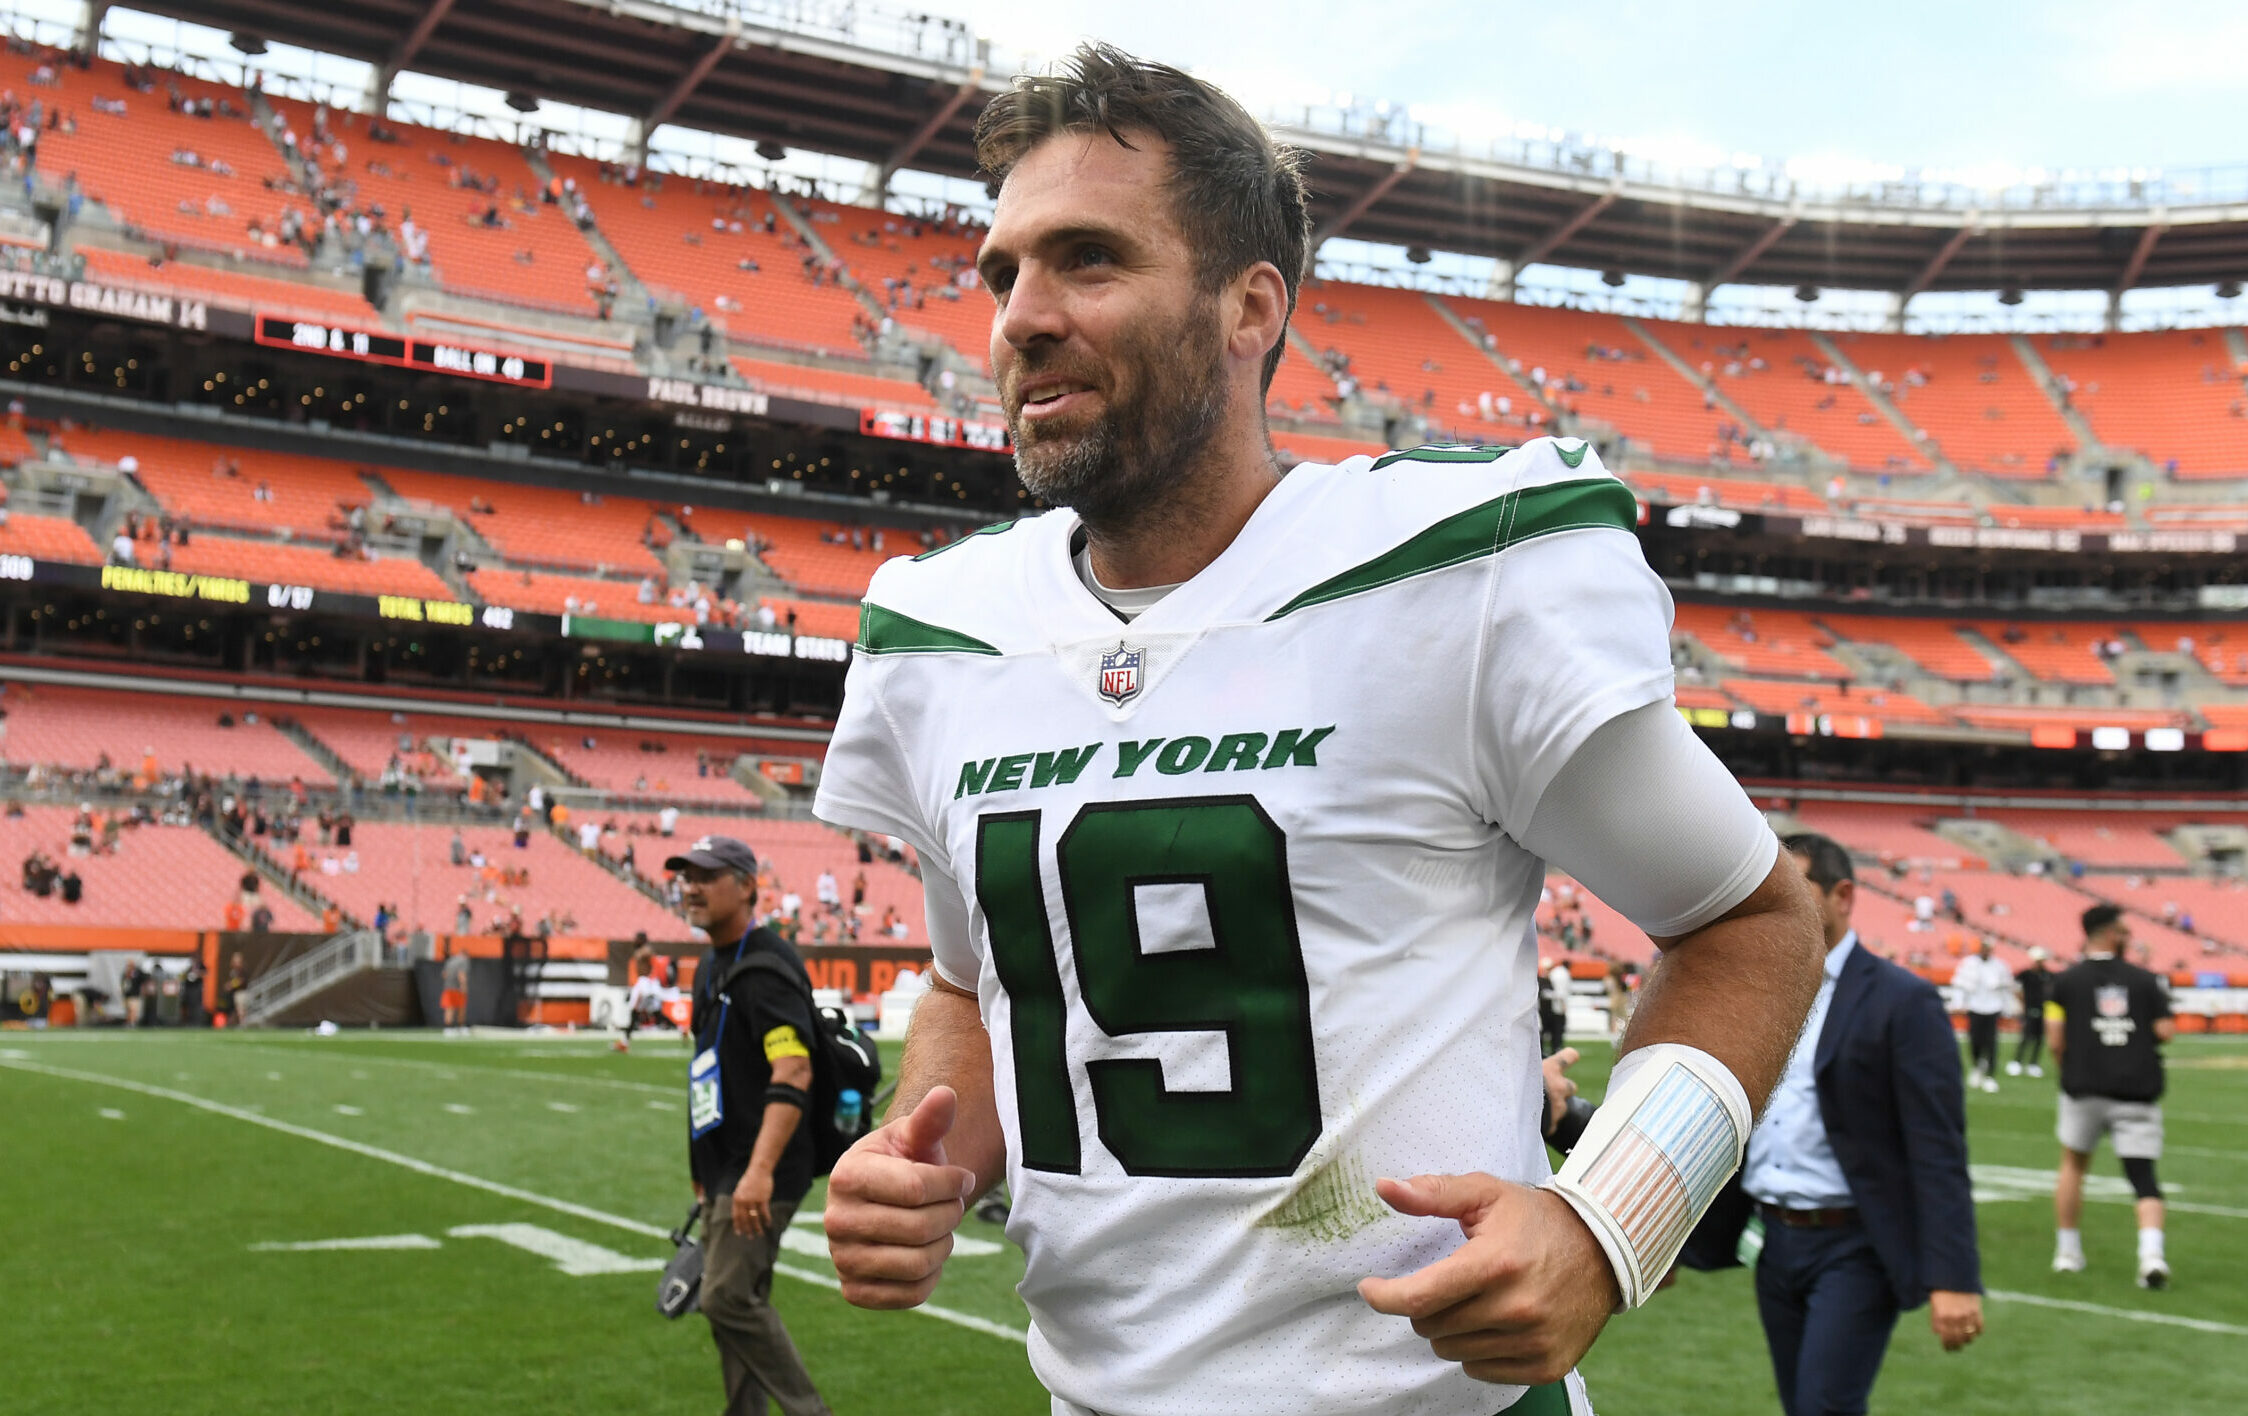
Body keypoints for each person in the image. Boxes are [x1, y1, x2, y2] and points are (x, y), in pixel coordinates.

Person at [811, 46, 1825, 1414]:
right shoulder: (947, 633)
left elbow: (1754, 923)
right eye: (1001, 274)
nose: (1022, 317)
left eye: (1089, 261)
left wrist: (1609, 1224)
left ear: (1250, 308)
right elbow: (967, 984)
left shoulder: (1447, 578)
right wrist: (928, 1155)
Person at [1682, 833, 1982, 1416]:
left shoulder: (1903, 1001)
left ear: (1843, 895)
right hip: (1775, 1243)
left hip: (1856, 1245)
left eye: (1793, 889)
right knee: (1803, 1407)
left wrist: (1954, 1276)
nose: (1774, 904)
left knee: (1825, 1407)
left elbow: (1937, 1147)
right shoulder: (1762, 994)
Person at [672, 835, 831, 1416]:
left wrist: (759, 1171)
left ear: (746, 886)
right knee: (732, 1304)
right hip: (725, 1166)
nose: (691, 886)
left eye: (707, 875)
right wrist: (702, 1167)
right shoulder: (711, 963)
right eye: (686, 875)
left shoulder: (766, 967)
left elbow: (793, 1068)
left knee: (725, 1298)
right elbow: (705, 1071)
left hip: (761, 1167)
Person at [2047, 904, 2174, 1288]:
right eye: (2122, 930)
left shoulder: (2065, 982)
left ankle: (2067, 1251)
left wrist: (2072, 1064)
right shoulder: (2146, 980)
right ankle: (2152, 1255)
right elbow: (2166, 1030)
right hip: (2135, 1089)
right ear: (2107, 932)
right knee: (2144, 1177)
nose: (2128, 936)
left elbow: (2055, 1037)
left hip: (2084, 1087)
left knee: (2073, 1166)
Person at [1952, 938, 2010, 1093]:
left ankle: (1990, 1075)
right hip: (1975, 1006)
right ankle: (1977, 1066)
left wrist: (2007, 1007)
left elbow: (2006, 987)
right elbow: (1960, 985)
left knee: (1991, 1042)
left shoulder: (1999, 965)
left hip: (1993, 1007)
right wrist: (1958, 1003)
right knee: (1975, 1040)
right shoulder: (1969, 963)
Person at [615, 932, 666, 1052]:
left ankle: (624, 1042)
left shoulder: (646, 951)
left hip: (644, 983)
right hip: (642, 983)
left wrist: (652, 981)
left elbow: (656, 965)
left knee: (635, 1012)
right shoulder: (641, 951)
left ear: (642, 940)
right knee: (653, 1012)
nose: (635, 941)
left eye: (637, 939)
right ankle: (681, 1028)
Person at [2008, 946, 2053, 1077]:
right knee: (2026, 1036)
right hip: (2029, 1009)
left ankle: (2033, 1064)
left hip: (2043, 1009)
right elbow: (2016, 988)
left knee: (2039, 1038)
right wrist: (2021, 1003)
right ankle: (2017, 1061)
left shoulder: (2047, 975)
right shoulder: (2025, 974)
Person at [440, 945, 469, 1035]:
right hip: (457, 988)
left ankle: (448, 1028)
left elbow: (444, 974)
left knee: (449, 1008)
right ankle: (461, 1027)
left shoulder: (450, 961)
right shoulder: (463, 961)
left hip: (448, 987)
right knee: (461, 1008)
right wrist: (463, 986)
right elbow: (461, 975)